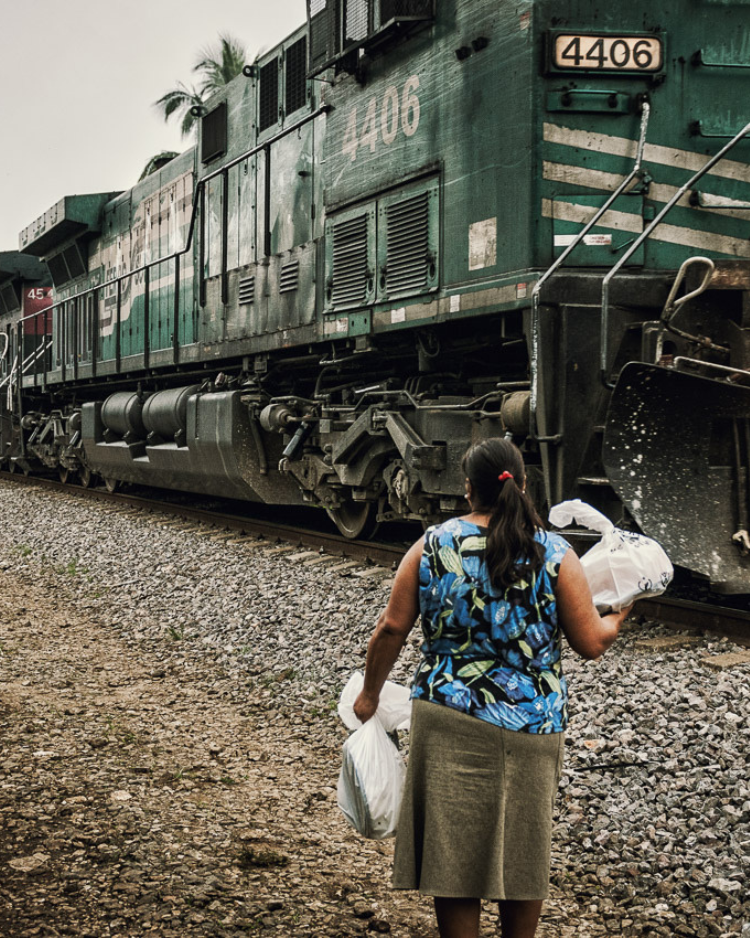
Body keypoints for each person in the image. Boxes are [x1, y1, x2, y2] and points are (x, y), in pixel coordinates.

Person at [353, 438, 632, 938]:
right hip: (531, 724)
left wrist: (370, 695)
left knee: (452, 858)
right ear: (523, 485)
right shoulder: (554, 552)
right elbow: (590, 642)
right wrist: (618, 617)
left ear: (467, 491)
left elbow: (392, 629)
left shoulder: (432, 545)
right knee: (523, 855)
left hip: (447, 718)